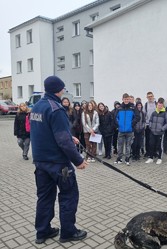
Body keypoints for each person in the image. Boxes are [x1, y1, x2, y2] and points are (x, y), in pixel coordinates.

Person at [30, 76, 88, 244]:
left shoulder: (37, 107)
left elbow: (48, 131)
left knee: (44, 197)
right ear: (59, 89)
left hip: (41, 163)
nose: (64, 90)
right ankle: (68, 232)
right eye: (63, 88)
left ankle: (42, 231)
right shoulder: (56, 109)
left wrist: (70, 137)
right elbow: (62, 141)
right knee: (69, 195)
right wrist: (78, 161)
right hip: (58, 164)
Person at [114, 93, 140, 165]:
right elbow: (115, 118)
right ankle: (119, 158)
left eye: (127, 99)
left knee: (128, 145)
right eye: (125, 99)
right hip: (121, 130)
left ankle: (127, 159)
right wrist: (118, 125)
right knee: (120, 145)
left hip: (130, 130)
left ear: (129, 99)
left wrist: (131, 124)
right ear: (122, 99)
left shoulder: (133, 108)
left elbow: (137, 117)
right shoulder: (119, 108)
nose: (126, 100)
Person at [145, 98, 167, 165]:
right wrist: (150, 126)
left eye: (161, 105)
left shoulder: (165, 114)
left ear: (163, 106)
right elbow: (150, 120)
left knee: (159, 146)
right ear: (157, 105)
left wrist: (162, 129)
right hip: (153, 132)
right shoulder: (154, 113)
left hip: (160, 133)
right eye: (158, 105)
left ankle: (159, 158)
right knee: (151, 145)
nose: (159, 106)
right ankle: (151, 158)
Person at [144, 91, 156, 157]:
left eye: (151, 96)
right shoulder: (145, 105)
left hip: (155, 125)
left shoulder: (157, 104)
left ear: (153, 96)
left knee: (154, 139)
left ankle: (154, 152)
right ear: (147, 97)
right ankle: (147, 152)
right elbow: (144, 114)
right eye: (148, 97)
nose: (150, 98)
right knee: (147, 139)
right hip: (148, 124)